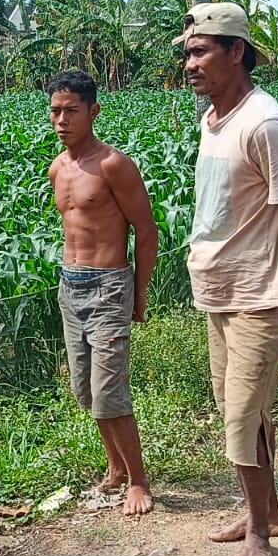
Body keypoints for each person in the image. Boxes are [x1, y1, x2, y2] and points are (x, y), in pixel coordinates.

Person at [177, 4, 278, 556]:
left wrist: (269, 260)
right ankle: (269, 512)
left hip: (257, 293)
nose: (190, 63)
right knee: (242, 410)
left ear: (237, 52)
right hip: (218, 289)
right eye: (187, 52)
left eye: (201, 51)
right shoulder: (214, 118)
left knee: (241, 415)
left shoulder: (264, 124)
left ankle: (259, 535)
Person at [48, 69, 159, 517]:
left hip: (109, 286)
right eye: (55, 111)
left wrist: (139, 291)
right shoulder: (58, 167)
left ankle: (139, 480)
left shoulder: (113, 164)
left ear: (93, 111)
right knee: (86, 390)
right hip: (69, 285)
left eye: (72, 110)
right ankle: (114, 468)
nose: (62, 120)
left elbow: (146, 230)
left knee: (110, 389)